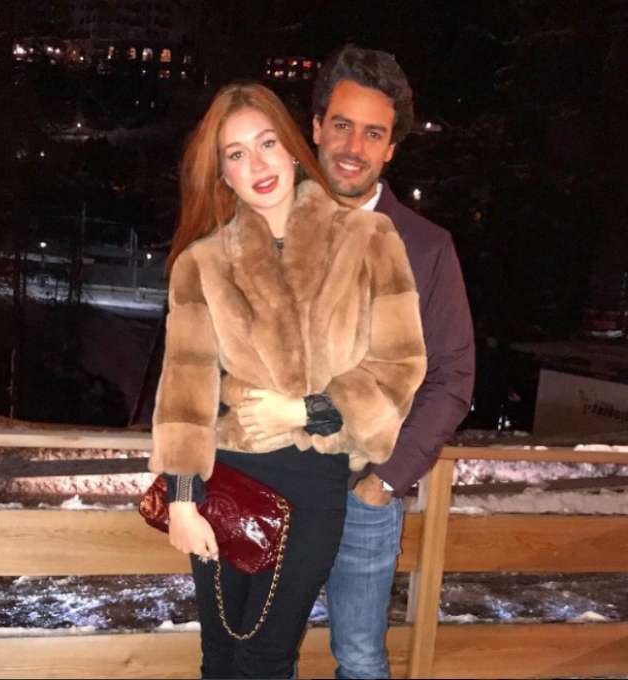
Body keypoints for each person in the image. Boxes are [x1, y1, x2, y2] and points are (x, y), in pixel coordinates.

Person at [149, 81, 427, 679]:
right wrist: (182, 498)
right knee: (220, 656)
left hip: (312, 482)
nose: (257, 164)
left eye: (267, 143)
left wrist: (307, 410)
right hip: (225, 477)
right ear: (223, 175)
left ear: (295, 149)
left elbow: (400, 364)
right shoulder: (202, 263)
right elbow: (186, 387)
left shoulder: (368, 239)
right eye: (237, 153)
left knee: (266, 658)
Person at [309, 45, 475, 679]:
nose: (354, 146)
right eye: (342, 125)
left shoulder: (426, 248)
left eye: (373, 133)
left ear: (390, 149)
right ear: (317, 127)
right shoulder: (270, 223)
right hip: (273, 483)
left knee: (359, 658)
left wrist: (386, 480)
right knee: (261, 655)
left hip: (364, 492)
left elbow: (453, 377)